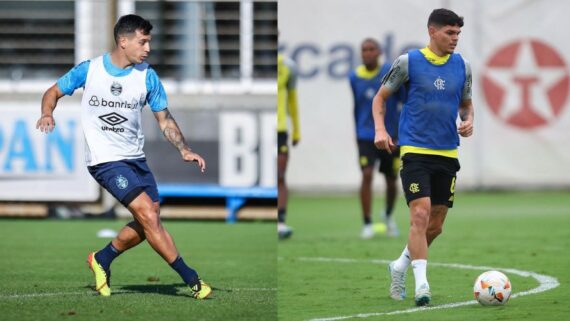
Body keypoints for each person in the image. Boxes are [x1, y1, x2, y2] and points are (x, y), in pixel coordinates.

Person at [36, 14, 212, 299]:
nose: (147, 48)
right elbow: (53, 92)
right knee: (147, 215)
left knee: (149, 220)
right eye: (142, 42)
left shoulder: (147, 76)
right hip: (104, 160)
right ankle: (192, 279)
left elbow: (165, 120)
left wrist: (184, 149)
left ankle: (102, 259)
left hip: (135, 159)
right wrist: (47, 113)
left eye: (149, 42)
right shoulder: (89, 70)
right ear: (123, 41)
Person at [372, 8, 473, 306]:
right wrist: (381, 129)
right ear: (432, 31)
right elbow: (380, 99)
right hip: (415, 150)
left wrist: (468, 120)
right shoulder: (408, 62)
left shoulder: (463, 67)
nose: (455, 39)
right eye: (449, 33)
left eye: (458, 34)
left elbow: (467, 104)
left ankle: (400, 265)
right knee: (420, 214)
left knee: (436, 225)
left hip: (447, 151)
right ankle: (422, 287)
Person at [348, 38, 404, 239]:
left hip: (391, 135)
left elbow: (401, 101)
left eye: (372, 49)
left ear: (379, 52)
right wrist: (357, 132)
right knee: (367, 174)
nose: (367, 53)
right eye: (364, 50)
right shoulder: (354, 77)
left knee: (390, 180)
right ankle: (367, 223)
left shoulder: (391, 72)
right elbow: (357, 107)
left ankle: (388, 216)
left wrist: (401, 132)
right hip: (365, 135)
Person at [277, 53, 300, 240]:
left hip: (281, 130)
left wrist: (296, 131)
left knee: (280, 174)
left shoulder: (288, 66)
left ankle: (281, 220)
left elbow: (292, 100)